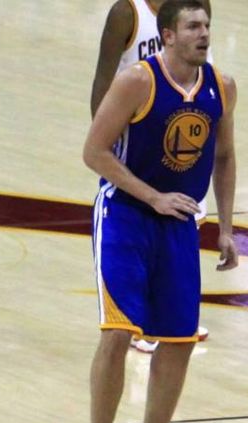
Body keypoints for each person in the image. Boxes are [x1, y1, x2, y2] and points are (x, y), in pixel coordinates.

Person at [81, 0, 238, 423]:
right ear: (167, 35)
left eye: (207, 25)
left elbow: (224, 156)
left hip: (179, 222)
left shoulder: (222, 87)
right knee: (118, 333)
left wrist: (227, 227)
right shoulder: (137, 83)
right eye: (193, 26)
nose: (203, 33)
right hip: (126, 215)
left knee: (178, 340)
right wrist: (152, 196)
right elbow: (94, 152)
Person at [90, 0, 213, 354]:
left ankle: (167, 315)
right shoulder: (126, 12)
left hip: (182, 128)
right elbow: (102, 81)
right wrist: (106, 135)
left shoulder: (198, 7)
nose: (202, 32)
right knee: (137, 228)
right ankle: (135, 321)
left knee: (183, 219)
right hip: (137, 137)